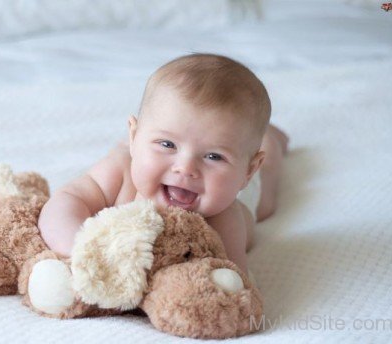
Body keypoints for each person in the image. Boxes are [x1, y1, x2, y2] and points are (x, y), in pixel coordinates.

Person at [38, 53, 288, 274]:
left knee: (265, 201)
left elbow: (229, 283)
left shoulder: (225, 220)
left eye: (214, 156)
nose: (186, 168)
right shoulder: (118, 173)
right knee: (136, 154)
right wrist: (81, 251)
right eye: (168, 145)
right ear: (134, 136)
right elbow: (65, 202)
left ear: (247, 170)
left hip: (244, 192)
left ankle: (272, 140)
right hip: (134, 154)